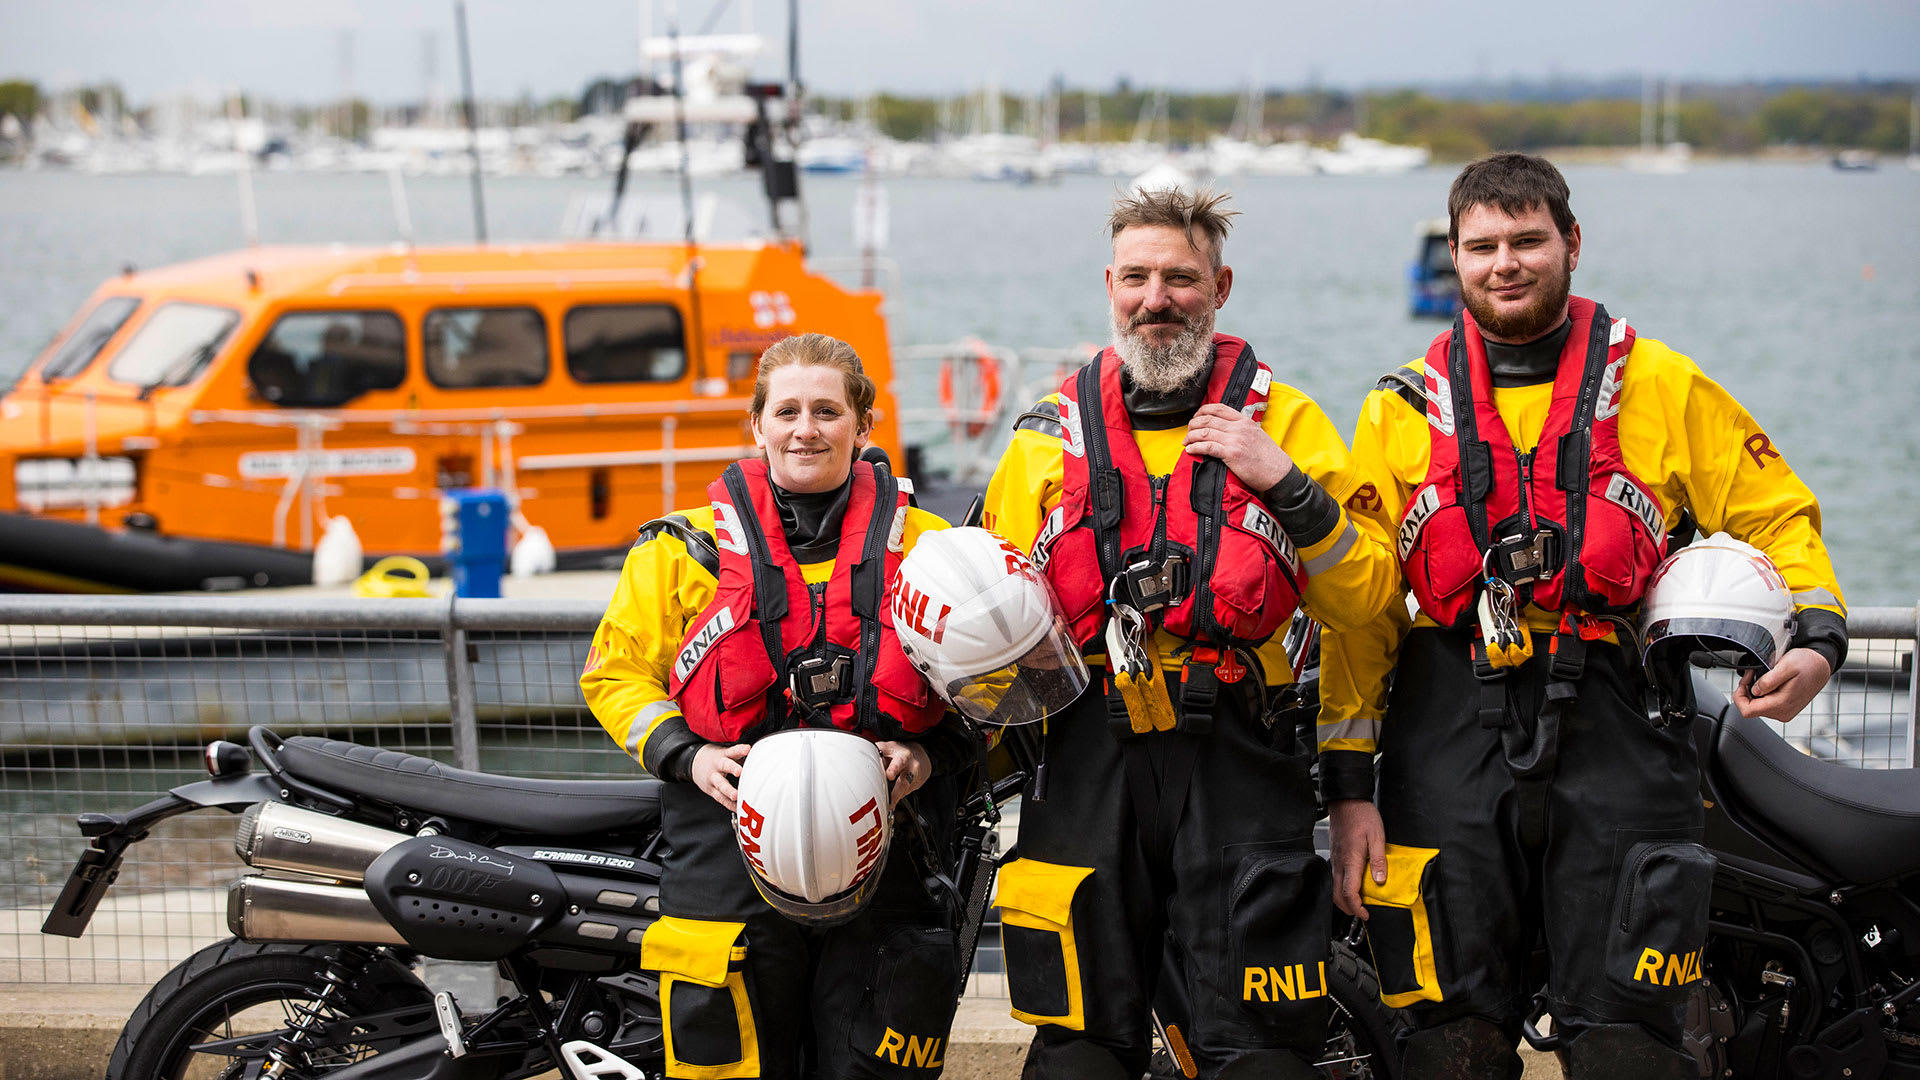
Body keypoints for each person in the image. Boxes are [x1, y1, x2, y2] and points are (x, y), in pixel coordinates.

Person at [1319, 152, 1849, 1079]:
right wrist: (1350, 788)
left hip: (1619, 724)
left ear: (1571, 243)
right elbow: (1360, 613)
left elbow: (1776, 514)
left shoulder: (1663, 384)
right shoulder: (1397, 408)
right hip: (1445, 736)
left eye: (1528, 241)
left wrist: (1817, 639)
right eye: (1482, 246)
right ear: (1455, 255)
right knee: (1445, 1038)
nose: (1505, 263)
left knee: (1628, 1038)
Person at [981, 187, 1400, 1079]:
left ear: (1221, 287)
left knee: (1261, 1046)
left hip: (1241, 759)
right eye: (1137, 277)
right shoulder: (1044, 441)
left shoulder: (1286, 424)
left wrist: (1285, 484)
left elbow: (1368, 604)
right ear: (1110, 286)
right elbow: (978, 624)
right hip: (1087, 757)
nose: (1156, 298)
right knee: (1078, 1045)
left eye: (1180, 277)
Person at [581, 332, 980, 1080]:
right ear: (756, 424)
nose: (807, 429)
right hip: (723, 859)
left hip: (890, 864)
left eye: (828, 411)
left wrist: (933, 755)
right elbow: (614, 676)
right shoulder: (680, 553)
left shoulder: (930, 548)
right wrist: (686, 754)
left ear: (863, 428)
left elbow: (991, 690)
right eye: (787, 410)